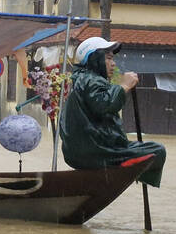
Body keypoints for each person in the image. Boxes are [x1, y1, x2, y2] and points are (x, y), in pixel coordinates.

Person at [60, 36, 166, 187]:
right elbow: (104, 104)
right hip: (96, 152)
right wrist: (124, 86)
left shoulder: (82, 80)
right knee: (157, 151)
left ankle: (129, 165)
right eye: (108, 58)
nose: (113, 63)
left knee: (148, 149)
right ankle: (126, 166)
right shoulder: (92, 79)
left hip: (78, 154)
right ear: (95, 59)